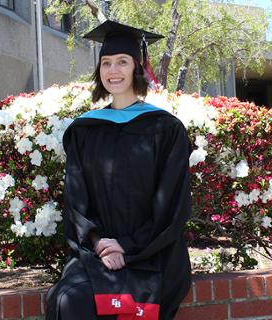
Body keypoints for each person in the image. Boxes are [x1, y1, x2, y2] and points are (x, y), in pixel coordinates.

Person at [46, 20, 193, 320]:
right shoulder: (84, 130)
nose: (113, 71)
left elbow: (172, 203)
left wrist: (126, 246)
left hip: (153, 252)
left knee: (118, 303)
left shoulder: (166, 129)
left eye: (122, 62)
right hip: (97, 251)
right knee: (68, 299)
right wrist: (100, 242)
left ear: (137, 68)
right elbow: (76, 199)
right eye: (106, 63)